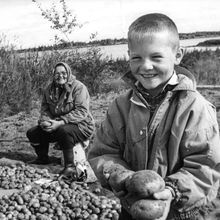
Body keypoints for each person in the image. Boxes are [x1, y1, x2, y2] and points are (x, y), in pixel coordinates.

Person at [88, 13, 220, 220]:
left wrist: (173, 190)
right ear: (128, 56)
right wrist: (117, 174)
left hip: (183, 210)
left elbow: (206, 165)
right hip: (133, 205)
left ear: (178, 55)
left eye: (156, 57)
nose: (146, 66)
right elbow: (103, 152)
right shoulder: (120, 106)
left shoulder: (196, 107)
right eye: (136, 58)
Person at [26, 62, 95, 180]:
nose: (60, 76)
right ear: (53, 75)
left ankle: (70, 166)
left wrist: (60, 122)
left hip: (81, 126)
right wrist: (45, 122)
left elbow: (81, 112)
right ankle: (43, 158)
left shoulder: (79, 87)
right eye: (57, 73)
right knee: (33, 133)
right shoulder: (49, 89)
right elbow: (45, 110)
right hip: (58, 125)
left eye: (63, 73)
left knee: (64, 131)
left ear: (68, 73)